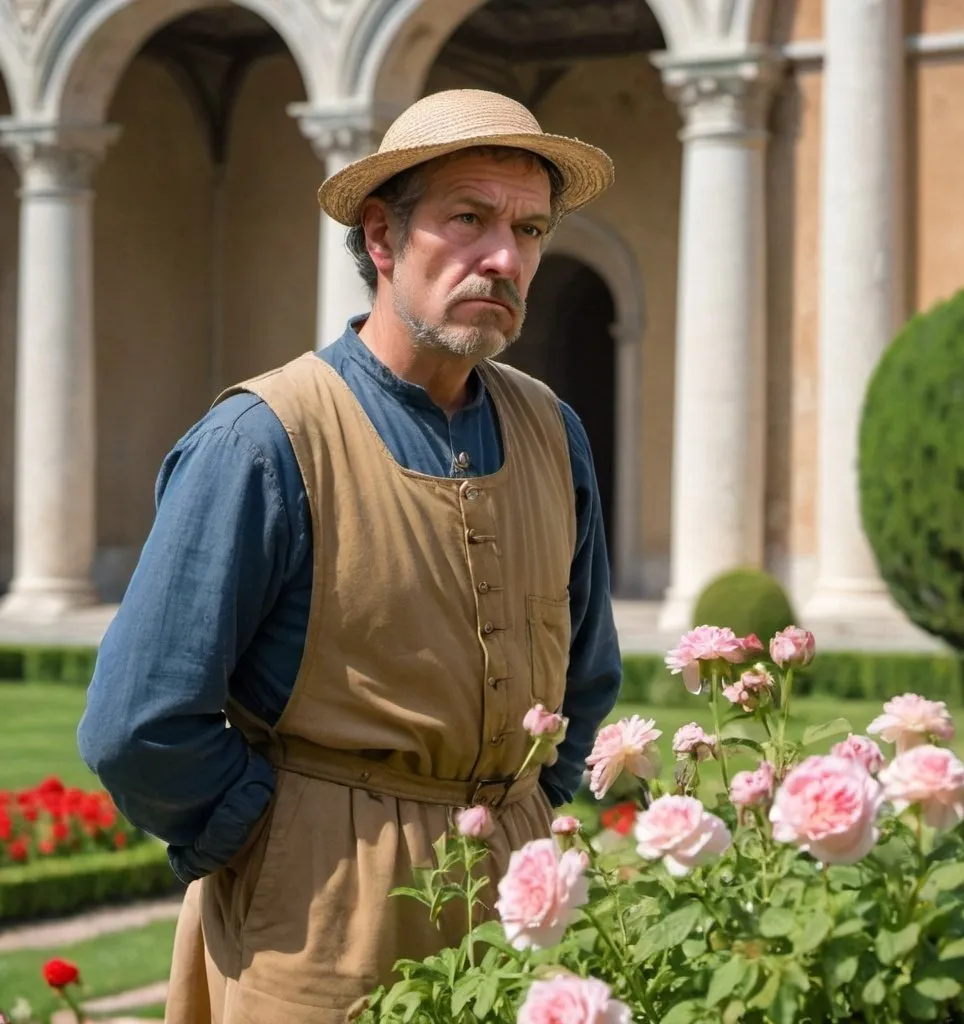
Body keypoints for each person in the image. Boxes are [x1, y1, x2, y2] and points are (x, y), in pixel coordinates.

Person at [77, 88, 622, 1022]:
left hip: (523, 913)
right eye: (469, 219)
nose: (505, 257)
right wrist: (270, 834)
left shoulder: (552, 431)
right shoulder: (263, 439)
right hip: (318, 919)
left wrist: (531, 816)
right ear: (381, 237)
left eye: (529, 231)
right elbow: (139, 724)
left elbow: (588, 678)